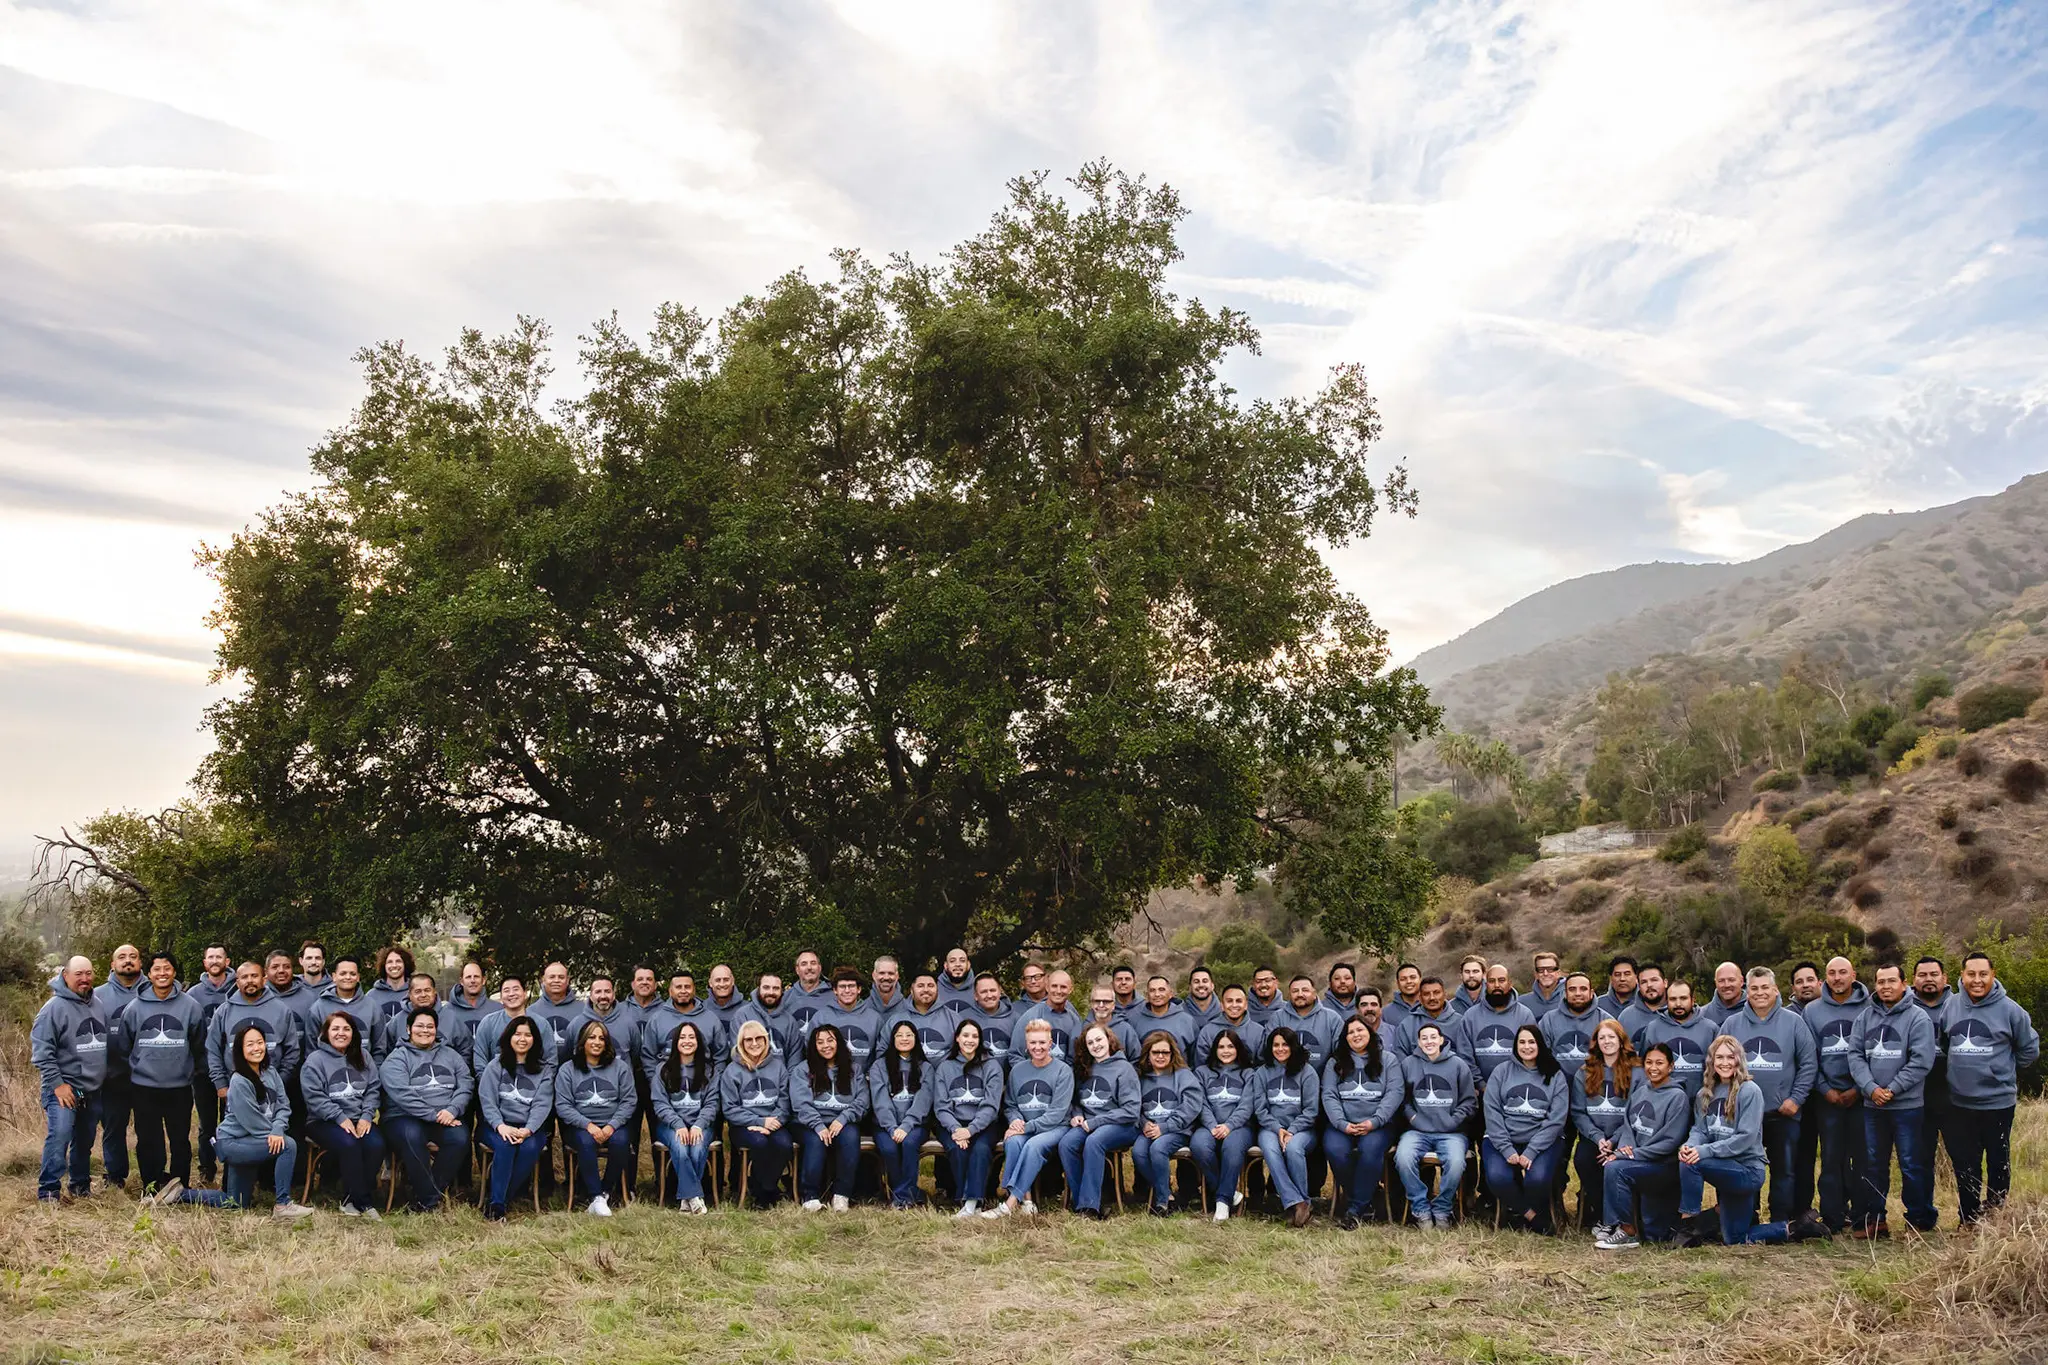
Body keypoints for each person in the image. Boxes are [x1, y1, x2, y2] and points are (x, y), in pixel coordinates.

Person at [151, 1022, 316, 1217]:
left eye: (260, 1042)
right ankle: (283, 1205)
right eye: (250, 1044)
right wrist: (275, 1134)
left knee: (236, 1202)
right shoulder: (239, 1081)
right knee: (287, 1145)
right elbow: (253, 1121)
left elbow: (283, 1105)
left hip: (255, 1140)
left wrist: (277, 1128)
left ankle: (180, 1194)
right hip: (234, 1143)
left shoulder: (270, 1073)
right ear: (240, 1050)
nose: (256, 1048)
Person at [1674, 1036, 1820, 1246]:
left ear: (1739, 1060)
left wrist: (1702, 1152)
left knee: (1692, 1163)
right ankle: (1797, 1228)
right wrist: (1690, 1146)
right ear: (1711, 1062)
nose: (1724, 1063)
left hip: (1747, 1171)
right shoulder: (1704, 1094)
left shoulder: (1750, 1091)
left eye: (1730, 1057)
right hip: (1724, 1168)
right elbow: (1700, 1130)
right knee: (1735, 1239)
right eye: (1719, 1057)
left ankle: (1688, 1225)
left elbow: (1745, 1138)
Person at [1940, 952, 2041, 1224]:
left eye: (1983, 974)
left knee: (1998, 1162)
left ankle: (1995, 1216)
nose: (1977, 980)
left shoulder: (2010, 1010)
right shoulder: (1950, 1006)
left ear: (1992, 975)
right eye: (1971, 974)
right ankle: (1969, 1219)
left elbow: (2029, 1049)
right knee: (1966, 1165)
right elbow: (1945, 1042)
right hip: (1960, 1103)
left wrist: (2000, 1070)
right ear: (1962, 976)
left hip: (1997, 1103)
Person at [1848, 962, 1938, 1236]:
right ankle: (1876, 1219)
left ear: (1904, 983)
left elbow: (1922, 1061)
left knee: (1911, 1164)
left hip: (1907, 1107)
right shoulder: (1864, 1018)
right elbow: (1855, 1056)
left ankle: (1918, 1218)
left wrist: (1893, 1089)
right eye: (1881, 981)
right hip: (1872, 1106)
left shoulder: (1918, 1018)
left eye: (1891, 981)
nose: (1886, 986)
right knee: (1874, 1164)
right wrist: (1870, 1088)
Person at [1723, 966, 1816, 1227]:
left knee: (1784, 1171)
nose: (1760, 993)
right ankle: (1747, 1218)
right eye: (1754, 988)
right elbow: (1719, 1065)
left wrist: (1796, 1099)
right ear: (1746, 991)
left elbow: (1809, 1064)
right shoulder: (1731, 1024)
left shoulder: (1794, 1022)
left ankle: (1780, 1220)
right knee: (1745, 1169)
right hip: (1743, 1116)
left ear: (1776, 990)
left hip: (1783, 1113)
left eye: (1765, 987)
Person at [114, 950, 206, 1199]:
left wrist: (189, 1071)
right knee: (148, 1140)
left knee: (180, 1141)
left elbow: (199, 1045)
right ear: (150, 973)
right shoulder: (134, 1008)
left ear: (174, 972)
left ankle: (179, 1188)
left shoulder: (191, 1007)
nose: (162, 974)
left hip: (179, 1087)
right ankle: (151, 1186)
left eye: (167, 968)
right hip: (144, 1087)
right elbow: (124, 1045)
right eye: (157, 969)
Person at [1592, 1042, 1692, 1249]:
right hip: (1638, 1160)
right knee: (1611, 1164)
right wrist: (1623, 1149)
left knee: (1615, 1168)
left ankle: (1628, 1232)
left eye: (1659, 1063)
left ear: (1671, 1067)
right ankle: (1618, 1225)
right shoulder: (1639, 1092)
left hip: (1662, 1165)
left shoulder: (1677, 1097)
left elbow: (1669, 1142)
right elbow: (1628, 1127)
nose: (1653, 1068)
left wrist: (1629, 1155)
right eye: (1648, 1062)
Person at [379, 1007, 474, 1213]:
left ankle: (425, 1195)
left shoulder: (451, 1055)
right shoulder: (396, 1059)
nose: (425, 1030)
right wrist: (435, 1115)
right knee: (412, 1136)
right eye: (420, 1026)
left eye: (430, 1026)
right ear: (408, 1029)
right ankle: (431, 1200)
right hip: (403, 1117)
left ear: (436, 1029)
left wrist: (452, 1109)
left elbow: (465, 1084)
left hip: (446, 1116)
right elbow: (403, 1095)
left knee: (459, 1138)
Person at [31, 956, 110, 1203]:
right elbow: (42, 1053)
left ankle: (80, 1186)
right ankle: (49, 1191)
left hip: (92, 1089)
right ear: (65, 975)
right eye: (78, 974)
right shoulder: (52, 1008)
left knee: (84, 1141)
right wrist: (58, 1085)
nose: (84, 979)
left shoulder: (97, 1004)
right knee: (60, 1136)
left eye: (88, 973)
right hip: (63, 1089)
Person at [1803, 955, 1869, 1233]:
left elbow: (1874, 1053)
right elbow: (1808, 1057)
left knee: (1864, 1158)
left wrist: (1858, 1088)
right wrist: (1825, 1089)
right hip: (1827, 1097)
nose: (1837, 978)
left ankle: (1863, 1216)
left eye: (1843, 972)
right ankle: (1832, 1216)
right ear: (1825, 978)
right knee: (1830, 1158)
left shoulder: (1870, 1007)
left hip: (1862, 1096)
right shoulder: (1812, 1011)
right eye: (1832, 973)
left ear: (1853, 974)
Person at [1481, 1026, 1569, 1234]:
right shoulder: (1502, 1071)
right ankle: (1532, 1216)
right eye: (1522, 1042)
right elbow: (1492, 1111)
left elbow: (1556, 1120)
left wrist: (1531, 1151)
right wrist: (1506, 1149)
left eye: (1532, 1042)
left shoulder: (1554, 1075)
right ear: (1515, 1045)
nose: (1527, 1047)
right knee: (1497, 1178)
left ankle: (1526, 1212)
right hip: (1502, 1139)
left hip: (1543, 1141)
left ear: (1539, 1044)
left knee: (1537, 1179)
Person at [300, 1011, 386, 1217]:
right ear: (326, 1033)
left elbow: (373, 1088)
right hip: (324, 1120)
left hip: (359, 1118)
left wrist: (366, 1116)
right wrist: (340, 1118)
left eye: (346, 1029)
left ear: (353, 1033)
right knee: (350, 1144)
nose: (341, 1033)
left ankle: (350, 1198)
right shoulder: (315, 1060)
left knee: (376, 1145)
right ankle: (364, 1203)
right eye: (335, 1029)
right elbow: (314, 1097)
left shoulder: (363, 1056)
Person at [985, 1019, 1072, 1218]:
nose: (1037, 1047)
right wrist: (1015, 1120)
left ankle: (1008, 1203)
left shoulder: (1063, 1071)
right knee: (1014, 1142)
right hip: (1025, 1127)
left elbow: (1057, 1113)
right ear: (1027, 1044)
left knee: (1032, 1145)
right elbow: (1010, 1104)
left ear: (1050, 1044)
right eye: (1033, 1043)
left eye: (1042, 1042)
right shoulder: (1018, 1071)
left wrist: (1026, 1127)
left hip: (1055, 1128)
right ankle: (1028, 1201)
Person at [1321, 1017, 1402, 1228]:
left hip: (1378, 1125)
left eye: (1360, 1030)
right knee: (1335, 1150)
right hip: (1342, 1124)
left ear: (1370, 1032)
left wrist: (1375, 1122)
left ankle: (1355, 1210)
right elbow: (1329, 1095)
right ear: (1345, 1038)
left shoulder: (1389, 1060)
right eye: (1350, 1032)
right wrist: (1341, 1123)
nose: (1356, 1035)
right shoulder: (1335, 1062)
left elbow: (1395, 1093)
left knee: (1370, 1151)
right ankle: (1370, 1195)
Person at [1395, 1021, 1474, 1229]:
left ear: (1441, 1040)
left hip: (1451, 1133)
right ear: (1419, 1042)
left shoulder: (1458, 1065)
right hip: (1417, 1131)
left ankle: (1442, 1208)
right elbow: (1402, 1100)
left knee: (1457, 1163)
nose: (1429, 1041)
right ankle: (1420, 1208)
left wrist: (1454, 1120)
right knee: (1403, 1158)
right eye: (1424, 1038)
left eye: (1433, 1037)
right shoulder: (1408, 1064)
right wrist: (1413, 1118)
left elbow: (1469, 1101)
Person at [1059, 1022, 1140, 1219]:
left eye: (1099, 1039)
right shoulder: (1085, 1068)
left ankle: (1090, 1207)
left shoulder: (1124, 1068)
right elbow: (1076, 1100)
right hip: (1088, 1123)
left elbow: (1131, 1110)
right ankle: (1081, 1201)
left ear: (1109, 1040)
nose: (1096, 1045)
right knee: (1066, 1144)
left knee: (1094, 1142)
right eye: (1090, 1042)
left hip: (1121, 1125)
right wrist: (1076, 1113)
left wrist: (1097, 1122)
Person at [555, 1018, 635, 1215]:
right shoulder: (568, 1069)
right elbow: (563, 1105)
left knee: (621, 1141)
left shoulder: (620, 1067)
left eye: (602, 1038)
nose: (597, 1042)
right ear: (582, 1041)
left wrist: (612, 1126)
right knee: (586, 1142)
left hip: (613, 1124)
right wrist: (588, 1125)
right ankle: (595, 1195)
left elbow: (629, 1101)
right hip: (581, 1127)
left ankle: (605, 1191)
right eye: (592, 1037)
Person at [479, 1016, 554, 1220]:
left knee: (530, 1148)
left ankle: (498, 1201)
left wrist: (528, 1129)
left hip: (530, 1128)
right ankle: (497, 1204)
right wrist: (501, 1126)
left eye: (528, 1035)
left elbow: (542, 1103)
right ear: (508, 1037)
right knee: (505, 1145)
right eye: (517, 1034)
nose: (522, 1039)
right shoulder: (495, 1066)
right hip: (497, 1126)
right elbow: (488, 1101)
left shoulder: (544, 1070)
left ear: (535, 1040)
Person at [1569, 1020, 1638, 1232]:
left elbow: (1636, 1112)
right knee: (1583, 1160)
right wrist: (1599, 1139)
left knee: (1615, 1167)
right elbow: (1579, 1112)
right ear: (1596, 1043)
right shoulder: (1584, 1072)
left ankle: (1621, 1218)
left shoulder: (1635, 1071)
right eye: (1602, 1038)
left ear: (1621, 1040)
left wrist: (1614, 1141)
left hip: (1625, 1137)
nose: (1607, 1041)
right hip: (1594, 1138)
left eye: (1611, 1037)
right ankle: (1602, 1216)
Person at [791, 1022, 867, 1212]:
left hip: (842, 1121)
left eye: (830, 1040)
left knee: (850, 1137)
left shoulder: (854, 1069)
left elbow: (863, 1100)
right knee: (816, 1141)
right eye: (820, 1042)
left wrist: (843, 1118)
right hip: (808, 1123)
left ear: (838, 1043)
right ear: (813, 1046)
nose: (826, 1045)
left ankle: (841, 1195)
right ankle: (810, 1197)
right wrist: (818, 1125)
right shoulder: (803, 1070)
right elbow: (801, 1103)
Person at [718, 1020, 792, 1207]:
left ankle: (765, 1188)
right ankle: (765, 1195)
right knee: (759, 1143)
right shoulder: (732, 1071)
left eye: (759, 1038)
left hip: (774, 1122)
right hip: (744, 1125)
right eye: (748, 1040)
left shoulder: (778, 1066)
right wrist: (759, 1121)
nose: (754, 1043)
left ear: (766, 1040)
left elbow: (784, 1100)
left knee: (784, 1144)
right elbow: (730, 1108)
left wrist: (773, 1121)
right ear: (741, 1044)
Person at [1254, 1026, 1321, 1227]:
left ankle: (1298, 1204)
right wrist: (1277, 1129)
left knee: (1293, 1148)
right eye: (1276, 1045)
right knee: (1271, 1150)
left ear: (1293, 1046)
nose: (1280, 1049)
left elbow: (1311, 1110)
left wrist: (1291, 1130)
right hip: (1271, 1128)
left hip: (1302, 1129)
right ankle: (1299, 1203)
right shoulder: (1262, 1072)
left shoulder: (1307, 1072)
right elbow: (1260, 1109)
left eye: (1285, 1044)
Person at [649, 1021, 717, 1213]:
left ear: (699, 1042)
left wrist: (698, 1125)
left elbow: (712, 1104)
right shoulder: (662, 1069)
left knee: (696, 1149)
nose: (687, 1041)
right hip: (669, 1126)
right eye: (682, 1037)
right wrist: (678, 1124)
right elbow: (659, 1103)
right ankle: (694, 1197)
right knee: (679, 1147)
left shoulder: (709, 1070)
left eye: (692, 1037)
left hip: (701, 1125)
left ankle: (686, 1201)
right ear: (675, 1042)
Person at [1131, 1032, 1201, 1216]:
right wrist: (1144, 1123)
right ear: (1148, 1054)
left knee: (1158, 1148)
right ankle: (1167, 1192)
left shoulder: (1183, 1075)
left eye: (1165, 1052)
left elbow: (1191, 1106)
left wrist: (1165, 1127)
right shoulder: (1141, 1078)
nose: (1160, 1056)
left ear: (1172, 1054)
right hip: (1149, 1129)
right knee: (1138, 1151)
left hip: (1177, 1130)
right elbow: (1133, 1106)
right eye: (1155, 1052)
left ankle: (1162, 1203)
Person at [93, 942, 144, 1190]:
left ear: (140, 963)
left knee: (148, 1130)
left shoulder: (153, 989)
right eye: (121, 957)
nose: (128, 961)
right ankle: (115, 1177)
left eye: (133, 956)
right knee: (113, 1128)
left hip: (148, 1077)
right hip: (112, 1076)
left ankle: (152, 1176)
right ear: (112, 964)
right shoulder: (97, 995)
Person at [1191, 1029, 1257, 1221]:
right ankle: (1228, 1191)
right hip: (1208, 1125)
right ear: (1214, 1049)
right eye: (1221, 1047)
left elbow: (1247, 1105)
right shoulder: (1202, 1072)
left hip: (1240, 1127)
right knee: (1199, 1146)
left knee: (1232, 1146)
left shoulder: (1248, 1073)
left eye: (1230, 1046)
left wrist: (1229, 1125)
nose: (1226, 1051)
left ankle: (1222, 1202)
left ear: (1238, 1049)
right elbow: (1200, 1102)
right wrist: (1212, 1125)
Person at [870, 1021, 934, 1209]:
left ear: (916, 1039)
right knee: (889, 1149)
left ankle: (900, 1198)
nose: (904, 1039)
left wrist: (906, 1126)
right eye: (899, 1035)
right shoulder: (879, 1066)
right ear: (892, 1039)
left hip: (915, 1125)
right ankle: (911, 1193)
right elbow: (880, 1100)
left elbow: (923, 1101)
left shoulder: (926, 1068)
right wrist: (892, 1127)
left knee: (909, 1143)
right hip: (885, 1124)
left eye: (909, 1035)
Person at [188, 945, 235, 1186]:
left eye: (219, 957)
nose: (215, 961)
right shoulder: (194, 994)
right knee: (207, 1125)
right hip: (203, 1070)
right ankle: (207, 1169)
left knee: (233, 1122)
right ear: (204, 963)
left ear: (227, 961)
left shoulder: (238, 990)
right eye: (210, 957)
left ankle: (233, 1168)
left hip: (234, 1071)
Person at [1638, 981, 1717, 1101]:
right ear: (1666, 1000)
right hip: (1664, 1103)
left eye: (1683, 998)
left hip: (1703, 1102)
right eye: (1673, 999)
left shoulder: (1710, 1029)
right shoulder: (1653, 1029)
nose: (1678, 1004)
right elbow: (1643, 1069)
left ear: (1693, 999)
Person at [816, 969, 883, 1068]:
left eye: (851, 986)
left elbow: (881, 1053)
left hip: (865, 1080)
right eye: (842, 987)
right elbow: (812, 1050)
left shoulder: (875, 1018)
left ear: (859, 989)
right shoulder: (821, 1017)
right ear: (835, 990)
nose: (847, 990)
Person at [1017, 970, 1087, 1058]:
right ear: (1047, 987)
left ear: (1070, 990)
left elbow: (1076, 1057)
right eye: (1054, 986)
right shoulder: (1031, 1017)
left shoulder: (1074, 1020)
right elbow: (1016, 1055)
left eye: (1063, 987)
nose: (1058, 991)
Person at [376, 973, 442, 1061]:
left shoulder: (450, 1016)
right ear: (410, 995)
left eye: (427, 990)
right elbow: (384, 1051)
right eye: (418, 991)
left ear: (434, 992)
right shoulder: (397, 1021)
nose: (423, 995)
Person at [1194, 984, 1265, 1061]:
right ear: (1222, 1005)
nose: (1234, 1005)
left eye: (1239, 1001)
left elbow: (1262, 1066)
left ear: (1246, 1005)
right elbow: (1201, 1065)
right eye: (1229, 1001)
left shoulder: (1259, 1032)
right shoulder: (1208, 1032)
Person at [1131, 976, 1196, 1059]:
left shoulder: (1187, 1021)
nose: (1157, 994)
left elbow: (1194, 1057)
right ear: (1147, 995)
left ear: (1170, 994)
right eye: (1152, 990)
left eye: (1161, 990)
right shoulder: (1135, 1020)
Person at [365, 946, 416, 1037]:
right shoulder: (371, 996)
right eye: (389, 962)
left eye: (398, 961)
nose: (394, 965)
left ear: (406, 964)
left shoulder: (415, 993)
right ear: (384, 966)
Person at [1520, 952, 1565, 1018]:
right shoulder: (1522, 1003)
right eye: (1541, 970)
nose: (1545, 973)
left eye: (1550, 969)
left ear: (1558, 973)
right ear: (1536, 974)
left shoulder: (1570, 1000)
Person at [1701, 962, 1746, 1026]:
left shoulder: (1755, 1010)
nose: (1726, 985)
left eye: (1731, 980)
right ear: (1715, 983)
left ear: (1741, 981)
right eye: (1721, 981)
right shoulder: (1702, 1015)